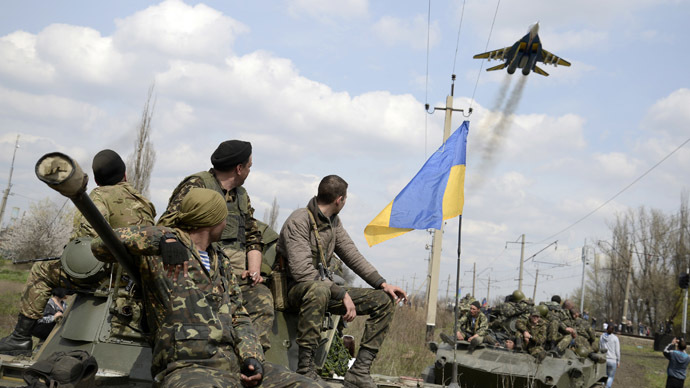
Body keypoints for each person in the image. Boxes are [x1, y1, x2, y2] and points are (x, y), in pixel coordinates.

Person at [91, 188, 323, 388]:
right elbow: (101, 245)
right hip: (187, 369)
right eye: (224, 217)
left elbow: (238, 316)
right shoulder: (161, 246)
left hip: (232, 364)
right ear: (213, 220)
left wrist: (252, 357)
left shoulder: (219, 260)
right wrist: (160, 240)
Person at [0, 149, 156, 355]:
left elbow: (85, 245)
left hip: (109, 277)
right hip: (138, 278)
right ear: (125, 175)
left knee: (41, 270)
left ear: (97, 181)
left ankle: (20, 338)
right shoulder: (144, 202)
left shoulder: (99, 195)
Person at [278, 175, 407, 387]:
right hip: (293, 291)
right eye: (345, 199)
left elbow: (352, 256)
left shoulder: (333, 224)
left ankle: (359, 371)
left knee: (384, 300)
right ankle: (306, 368)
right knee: (318, 289)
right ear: (339, 200)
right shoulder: (299, 220)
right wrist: (341, 293)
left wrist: (382, 284)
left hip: (324, 291)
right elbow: (303, 273)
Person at [158, 140, 273, 351]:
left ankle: (251, 358)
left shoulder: (241, 196)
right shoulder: (197, 186)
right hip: (198, 269)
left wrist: (254, 271)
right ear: (239, 169)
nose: (249, 171)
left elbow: (253, 235)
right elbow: (167, 225)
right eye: (249, 166)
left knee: (262, 298)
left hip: (234, 275)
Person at [599, 323, 620, 388]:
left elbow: (600, 347)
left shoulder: (602, 336)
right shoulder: (615, 338)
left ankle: (601, 385)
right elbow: (617, 351)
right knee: (610, 376)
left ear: (606, 329)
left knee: (603, 375)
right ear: (613, 330)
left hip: (603, 359)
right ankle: (607, 387)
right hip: (612, 360)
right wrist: (618, 361)